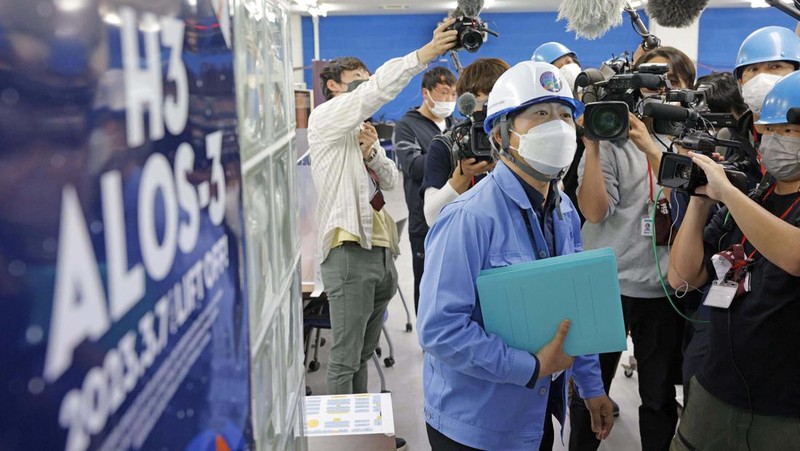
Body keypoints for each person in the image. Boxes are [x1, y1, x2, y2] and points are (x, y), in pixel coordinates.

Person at [418, 61, 614, 451]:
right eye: (539, 114)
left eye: (563, 115)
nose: (556, 127)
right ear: (501, 133)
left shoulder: (564, 212)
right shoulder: (467, 218)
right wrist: (533, 367)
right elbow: (440, 330)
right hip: (474, 424)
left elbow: (576, 309)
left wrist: (591, 386)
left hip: (535, 414)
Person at [307, 18, 457, 449]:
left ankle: (358, 435)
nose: (365, 88)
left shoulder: (357, 132)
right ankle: (341, 442)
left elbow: (390, 182)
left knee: (362, 354)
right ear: (333, 87)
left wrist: (372, 150)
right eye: (356, 83)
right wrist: (422, 56)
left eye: (366, 81)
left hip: (378, 250)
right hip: (348, 251)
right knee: (344, 357)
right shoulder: (324, 121)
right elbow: (377, 94)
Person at [668, 70, 800, 450]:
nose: (778, 141)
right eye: (770, 131)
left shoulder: (742, 201)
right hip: (716, 388)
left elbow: (793, 255)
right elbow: (682, 277)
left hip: (785, 410)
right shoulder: (755, 195)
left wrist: (728, 194)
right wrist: (699, 200)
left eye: (790, 131)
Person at [576, 46, 697, 451]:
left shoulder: (688, 140)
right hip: (605, 286)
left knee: (658, 398)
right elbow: (594, 212)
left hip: (661, 289)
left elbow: (695, 191)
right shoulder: (610, 137)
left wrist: (652, 145)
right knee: (589, 392)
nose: (659, 91)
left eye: (671, 82)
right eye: (651, 80)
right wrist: (592, 146)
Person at [393, 66, 457, 313]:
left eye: (453, 94)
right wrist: (450, 154)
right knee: (427, 284)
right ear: (425, 93)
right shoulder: (407, 126)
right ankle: (427, 342)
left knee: (455, 283)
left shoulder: (456, 124)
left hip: (457, 216)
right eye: (443, 93)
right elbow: (414, 166)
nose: (449, 100)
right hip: (424, 222)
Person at [420, 58, 507, 226]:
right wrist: (463, 175)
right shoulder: (447, 145)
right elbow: (431, 216)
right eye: (477, 96)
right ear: (466, 102)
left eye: (494, 94)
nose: (486, 104)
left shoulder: (519, 140)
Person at [733, 26, 800, 140]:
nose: (762, 77)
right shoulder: (728, 137)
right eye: (753, 69)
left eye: (775, 66)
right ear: (741, 82)